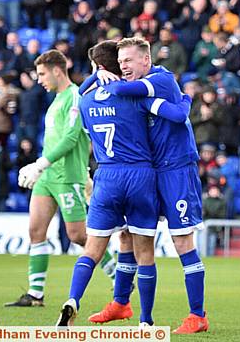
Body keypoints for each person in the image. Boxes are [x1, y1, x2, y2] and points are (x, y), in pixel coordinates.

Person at [56, 40, 193, 328]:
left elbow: (82, 94)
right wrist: (186, 100)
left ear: (98, 68)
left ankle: (73, 299)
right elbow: (178, 116)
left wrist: (94, 78)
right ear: (118, 65)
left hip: (106, 176)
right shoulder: (136, 97)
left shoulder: (86, 100)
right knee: (144, 251)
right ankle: (146, 320)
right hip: (140, 176)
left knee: (93, 249)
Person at [5, 50, 117, 307]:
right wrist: (41, 167)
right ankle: (35, 295)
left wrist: (40, 163)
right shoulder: (56, 100)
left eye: (43, 74)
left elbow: (70, 138)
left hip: (67, 176)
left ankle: (119, 276)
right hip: (47, 175)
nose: (39, 80)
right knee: (36, 230)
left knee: (78, 235)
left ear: (58, 70)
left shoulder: (76, 96)